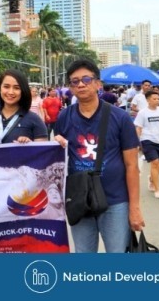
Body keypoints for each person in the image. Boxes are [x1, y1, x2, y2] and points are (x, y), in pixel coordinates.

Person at [54, 58, 143, 253]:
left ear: (97, 83)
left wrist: (134, 208)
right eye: (75, 81)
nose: (81, 84)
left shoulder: (119, 117)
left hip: (115, 201)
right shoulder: (64, 117)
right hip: (79, 200)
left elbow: (131, 166)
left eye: (86, 79)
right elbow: (57, 159)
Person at [0, 69, 47, 145]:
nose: (10, 92)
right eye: (6, 87)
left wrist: (29, 145)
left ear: (23, 91)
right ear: (0, 89)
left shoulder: (34, 119)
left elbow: (43, 152)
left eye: (16, 88)